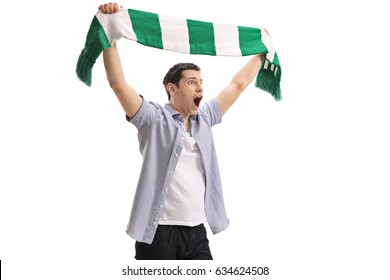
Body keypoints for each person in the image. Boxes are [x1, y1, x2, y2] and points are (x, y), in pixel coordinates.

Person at [99, 2, 266, 260]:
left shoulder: (205, 118)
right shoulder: (153, 118)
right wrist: (109, 30)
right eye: (191, 82)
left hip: (197, 233)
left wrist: (262, 51)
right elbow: (118, 84)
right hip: (159, 235)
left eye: (201, 82)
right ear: (171, 88)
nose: (200, 88)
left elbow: (238, 85)